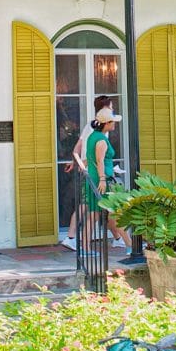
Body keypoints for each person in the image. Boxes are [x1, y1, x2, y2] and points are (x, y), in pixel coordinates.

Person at [61, 95, 126, 251]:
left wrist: (75, 162)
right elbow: (95, 156)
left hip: (91, 171)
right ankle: (75, 240)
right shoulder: (97, 131)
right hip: (94, 174)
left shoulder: (96, 129)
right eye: (110, 107)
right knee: (92, 210)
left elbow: (80, 149)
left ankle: (117, 238)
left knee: (99, 210)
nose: (112, 109)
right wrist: (84, 166)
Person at [85, 106, 132, 254]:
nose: (114, 124)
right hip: (101, 181)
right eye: (113, 121)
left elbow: (91, 158)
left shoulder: (93, 137)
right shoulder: (101, 140)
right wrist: (103, 180)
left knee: (95, 214)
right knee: (114, 213)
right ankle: (130, 246)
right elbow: (99, 160)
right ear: (106, 123)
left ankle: (85, 247)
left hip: (94, 179)